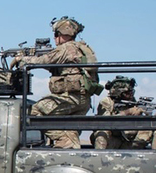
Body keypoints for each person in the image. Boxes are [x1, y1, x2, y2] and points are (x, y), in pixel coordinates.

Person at [11, 16, 100, 149]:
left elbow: (43, 61)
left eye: (55, 35)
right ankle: (70, 150)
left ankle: (66, 143)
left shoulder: (65, 48)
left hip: (70, 98)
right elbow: (56, 66)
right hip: (83, 100)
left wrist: (22, 59)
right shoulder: (82, 48)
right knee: (68, 129)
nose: (54, 38)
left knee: (35, 111)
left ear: (60, 34)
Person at [92, 76, 153, 149]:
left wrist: (141, 115)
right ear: (118, 93)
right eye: (127, 93)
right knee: (102, 134)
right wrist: (128, 112)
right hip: (113, 139)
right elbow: (106, 121)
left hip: (129, 141)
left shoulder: (132, 102)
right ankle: (99, 159)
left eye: (131, 92)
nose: (130, 95)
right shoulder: (107, 101)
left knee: (147, 129)